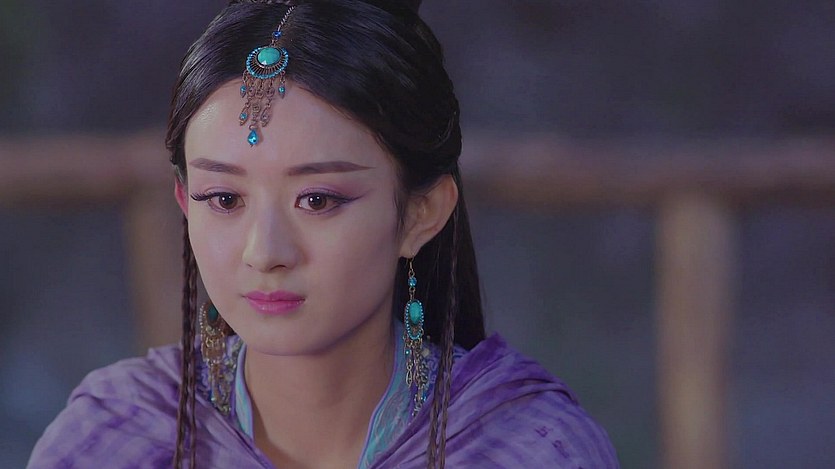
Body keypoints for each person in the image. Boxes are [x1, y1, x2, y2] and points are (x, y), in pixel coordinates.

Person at [28, 0, 619, 467]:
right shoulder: (113, 437)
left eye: (317, 200)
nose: (265, 252)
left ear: (421, 213)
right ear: (186, 203)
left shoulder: (528, 448)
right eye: (224, 199)